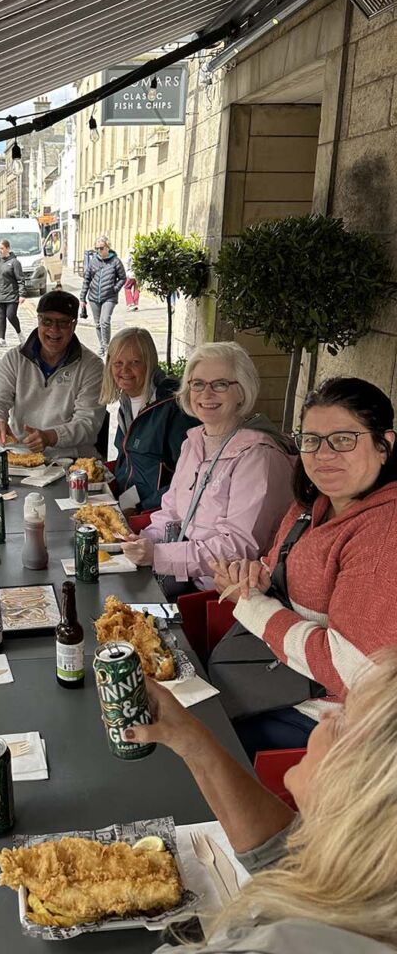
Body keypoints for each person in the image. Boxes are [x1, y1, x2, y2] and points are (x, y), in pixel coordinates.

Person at [123, 652, 397, 954]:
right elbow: (282, 854)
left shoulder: (291, 943)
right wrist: (192, 741)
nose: (326, 715)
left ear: (368, 791)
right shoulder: (370, 888)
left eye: (343, 719)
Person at [210, 376, 397, 756]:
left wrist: (251, 604)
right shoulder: (311, 506)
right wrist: (248, 574)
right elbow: (270, 570)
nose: (323, 454)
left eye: (344, 439)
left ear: (384, 446)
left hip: (325, 724)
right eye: (311, 440)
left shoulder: (384, 534)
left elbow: (353, 670)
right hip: (269, 685)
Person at [121, 341, 295, 599]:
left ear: (243, 392)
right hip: (179, 580)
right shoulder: (193, 442)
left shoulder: (258, 456)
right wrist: (143, 539)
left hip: (223, 600)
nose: (206, 393)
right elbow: (171, 512)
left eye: (221, 384)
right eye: (198, 384)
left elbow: (239, 547)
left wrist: (159, 555)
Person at [0, 290, 105, 458]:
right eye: (47, 321)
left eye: (63, 323)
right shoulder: (15, 359)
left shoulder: (92, 366)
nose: (54, 329)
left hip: (73, 459)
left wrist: (51, 437)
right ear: (38, 320)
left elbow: (88, 423)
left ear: (74, 325)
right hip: (23, 455)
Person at [101, 327, 199, 513]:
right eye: (118, 363)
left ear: (150, 362)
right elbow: (129, 465)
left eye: (135, 362)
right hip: (127, 504)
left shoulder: (174, 407)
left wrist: (139, 509)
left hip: (156, 515)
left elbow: (188, 479)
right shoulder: (126, 402)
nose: (125, 370)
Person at [79, 234, 126, 356]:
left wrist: (115, 289)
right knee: (98, 323)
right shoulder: (94, 261)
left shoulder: (115, 261)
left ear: (107, 247)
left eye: (101, 248)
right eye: (97, 248)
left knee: (105, 321)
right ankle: (102, 345)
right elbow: (87, 279)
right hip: (94, 297)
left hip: (109, 297)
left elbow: (122, 278)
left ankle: (107, 346)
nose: (99, 251)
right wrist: (82, 298)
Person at [0, 238, 26, 348]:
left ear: (8, 249)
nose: (0, 251)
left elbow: (20, 279)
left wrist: (22, 294)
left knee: (11, 316)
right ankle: (2, 339)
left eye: (2, 248)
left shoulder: (14, 262)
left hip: (11, 295)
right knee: (1, 317)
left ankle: (20, 334)